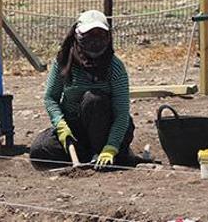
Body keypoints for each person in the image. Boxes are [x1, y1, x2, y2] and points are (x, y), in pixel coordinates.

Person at [29, 10, 138, 171]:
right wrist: (60, 124)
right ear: (77, 35)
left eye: (100, 35)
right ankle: (89, 156)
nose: (95, 41)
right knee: (39, 151)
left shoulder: (115, 67)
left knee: (93, 99)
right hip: (75, 129)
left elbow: (122, 114)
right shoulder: (64, 61)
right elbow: (50, 97)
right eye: (89, 35)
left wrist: (111, 146)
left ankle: (107, 153)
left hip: (106, 129)